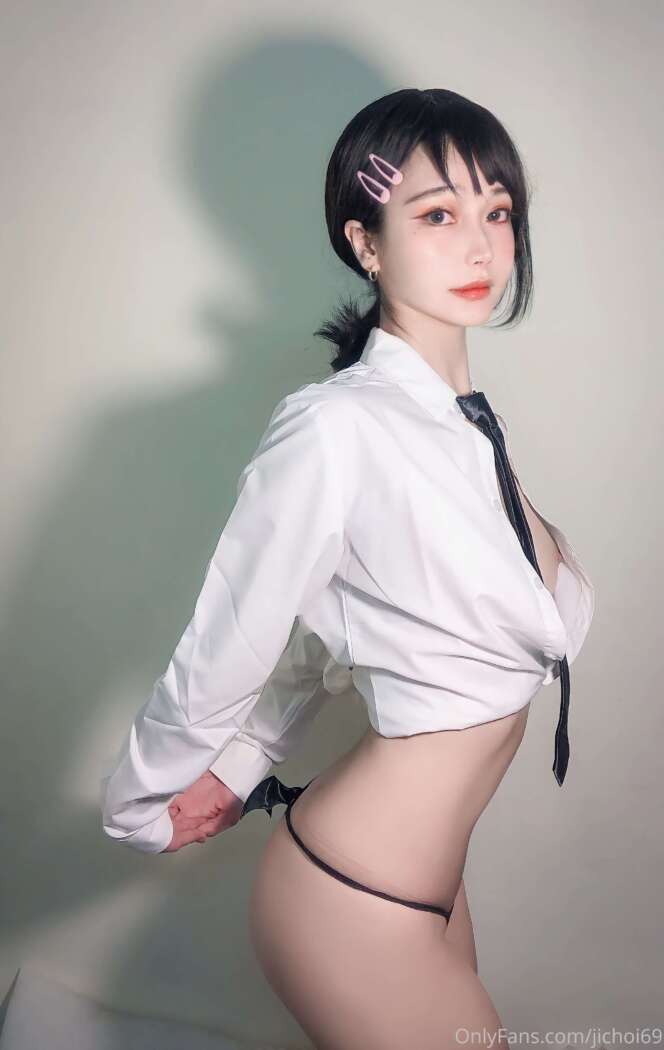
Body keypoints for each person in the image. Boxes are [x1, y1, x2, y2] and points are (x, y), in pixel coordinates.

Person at [100, 87, 595, 1048]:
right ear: (366, 242)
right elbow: (233, 632)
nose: (481, 247)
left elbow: (331, 625)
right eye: (438, 215)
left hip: (430, 884)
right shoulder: (336, 427)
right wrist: (143, 803)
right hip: (350, 897)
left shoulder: (461, 427)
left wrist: (247, 760)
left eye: (497, 212)